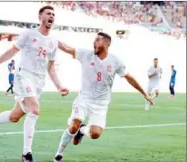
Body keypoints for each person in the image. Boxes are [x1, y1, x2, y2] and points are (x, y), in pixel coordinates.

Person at [0, 5, 69, 162]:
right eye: (48, 13)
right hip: (24, 76)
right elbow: (11, 52)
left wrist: (59, 86)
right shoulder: (28, 34)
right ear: (40, 17)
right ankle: (26, 154)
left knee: (14, 116)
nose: (51, 16)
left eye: (53, 14)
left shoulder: (53, 42)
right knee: (34, 110)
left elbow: (51, 67)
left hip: (39, 82)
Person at [53, 32, 153, 162]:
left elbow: (129, 78)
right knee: (73, 126)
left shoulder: (115, 61)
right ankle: (58, 155)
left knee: (95, 134)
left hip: (101, 104)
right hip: (84, 99)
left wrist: (145, 94)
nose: (94, 42)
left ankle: (82, 130)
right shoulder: (86, 54)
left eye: (97, 40)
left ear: (106, 43)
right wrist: (51, 39)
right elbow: (67, 48)